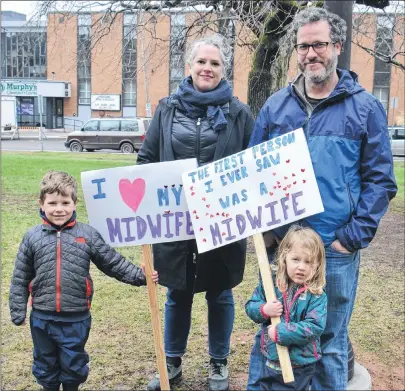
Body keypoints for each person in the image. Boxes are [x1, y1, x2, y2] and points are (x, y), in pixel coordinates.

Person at [247, 7, 397, 391]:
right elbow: (254, 173)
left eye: (319, 44)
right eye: (303, 46)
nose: (311, 53)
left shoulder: (365, 108)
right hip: (285, 248)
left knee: (329, 340)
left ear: (337, 47)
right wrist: (266, 233)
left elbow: (380, 181)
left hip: (334, 248)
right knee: (276, 328)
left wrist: (350, 237)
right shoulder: (276, 107)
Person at [137, 34, 255, 391]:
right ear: (189, 66)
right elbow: (147, 160)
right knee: (178, 293)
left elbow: (253, 166)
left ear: (224, 69)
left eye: (215, 63)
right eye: (201, 62)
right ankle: (171, 362)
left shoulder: (239, 113)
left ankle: (218, 363)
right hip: (176, 225)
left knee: (220, 293)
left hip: (222, 224)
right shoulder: (167, 109)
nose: (207, 68)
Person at [9, 170, 158, 391]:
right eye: (52, 203)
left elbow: (112, 263)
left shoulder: (87, 235)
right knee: (45, 365)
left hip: (76, 318)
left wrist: (141, 276)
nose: (58, 209)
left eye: (65, 202)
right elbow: (21, 276)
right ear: (41, 203)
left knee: (74, 366)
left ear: (75, 203)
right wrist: (17, 310)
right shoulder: (32, 237)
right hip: (42, 318)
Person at [246, 225, 327, 391]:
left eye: (308, 261)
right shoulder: (271, 286)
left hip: (299, 366)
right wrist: (264, 310)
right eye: (296, 259)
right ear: (284, 257)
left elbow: (313, 327)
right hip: (269, 358)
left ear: (317, 265)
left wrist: (281, 332)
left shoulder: (317, 295)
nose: (301, 267)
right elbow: (251, 306)